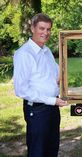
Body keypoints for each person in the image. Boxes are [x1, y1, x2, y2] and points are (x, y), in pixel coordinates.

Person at [13, 13, 68, 157]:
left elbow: (57, 75)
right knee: (38, 152)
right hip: (37, 112)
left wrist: (66, 89)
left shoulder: (47, 51)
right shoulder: (24, 53)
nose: (46, 33)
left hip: (53, 109)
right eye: (42, 28)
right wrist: (52, 100)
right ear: (32, 28)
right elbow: (21, 90)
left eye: (48, 29)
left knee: (52, 150)